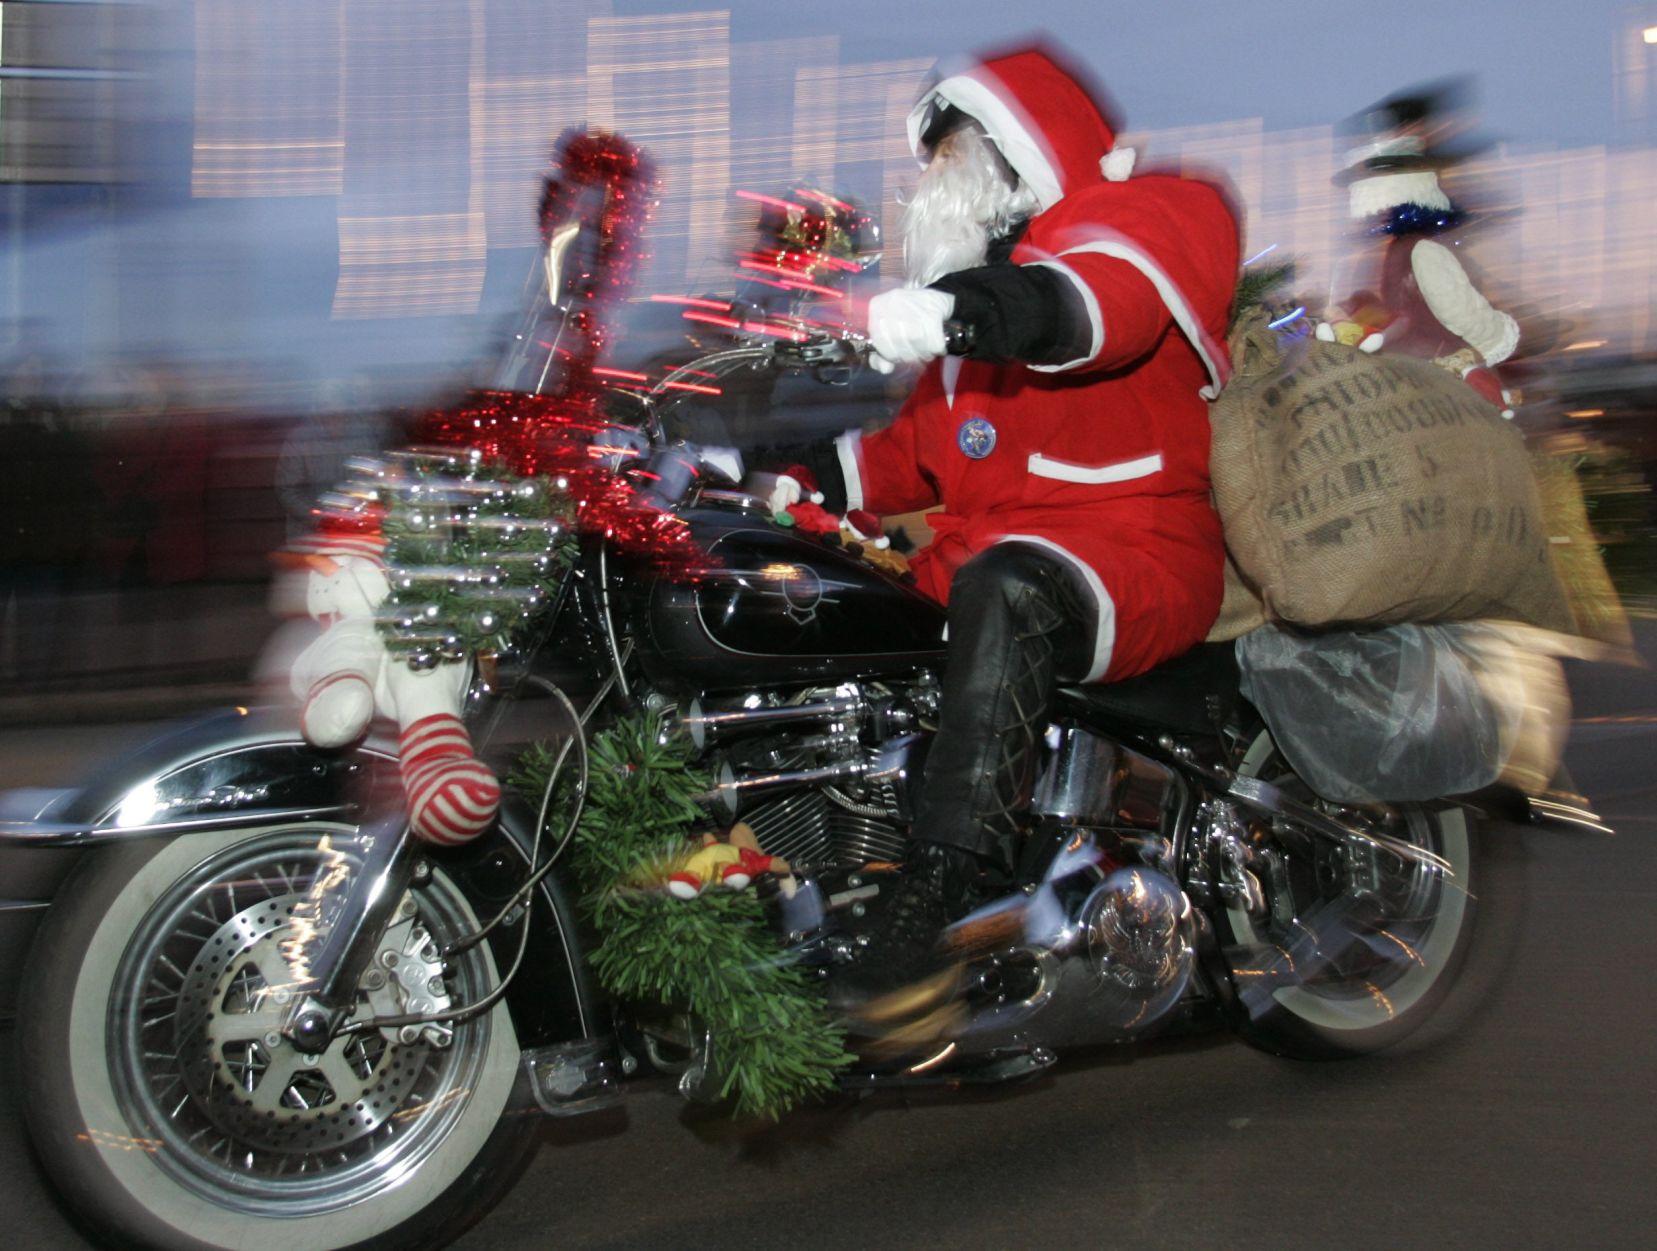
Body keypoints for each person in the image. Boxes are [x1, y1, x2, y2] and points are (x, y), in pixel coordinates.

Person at [761, 44, 1240, 1005]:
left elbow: (1097, 307)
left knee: (1008, 583)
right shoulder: (964, 338)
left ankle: (951, 874)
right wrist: (770, 475)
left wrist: (961, 310)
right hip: (980, 553)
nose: (939, 177)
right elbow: (899, 460)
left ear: (1029, 149)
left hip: (1133, 551)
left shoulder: (1149, 215)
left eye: (962, 150)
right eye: (934, 158)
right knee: (824, 607)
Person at [1318, 81, 1520, 412]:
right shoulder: (1423, 250)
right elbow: (1460, 312)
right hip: (1438, 370)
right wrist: (1501, 335)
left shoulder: (1394, 250)